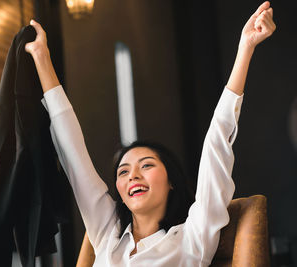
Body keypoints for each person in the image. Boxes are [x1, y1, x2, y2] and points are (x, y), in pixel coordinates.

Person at [24, 1, 276, 266]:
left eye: (146, 165)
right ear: (119, 191)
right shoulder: (107, 236)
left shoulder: (192, 240)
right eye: (123, 171)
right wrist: (41, 56)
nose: (133, 175)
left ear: (171, 181)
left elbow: (217, 143)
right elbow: (73, 154)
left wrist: (245, 48)